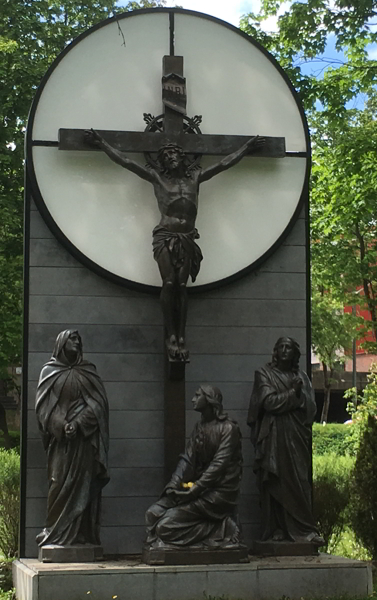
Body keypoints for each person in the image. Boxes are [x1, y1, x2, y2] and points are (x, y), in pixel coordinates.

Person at [85, 129, 264, 361]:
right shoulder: (158, 179)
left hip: (187, 237)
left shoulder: (195, 178)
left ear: (182, 157)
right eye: (166, 158)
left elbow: (224, 164)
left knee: (182, 284)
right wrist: (101, 143)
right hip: (165, 235)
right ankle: (170, 333)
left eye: (173, 156)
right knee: (169, 282)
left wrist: (246, 148)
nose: (170, 160)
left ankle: (180, 335)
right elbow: (126, 162)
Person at [145, 385, 243, 549]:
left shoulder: (228, 428)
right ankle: (219, 528)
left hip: (218, 493)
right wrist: (174, 484)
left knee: (164, 527)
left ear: (209, 399)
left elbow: (219, 465)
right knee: (152, 514)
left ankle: (225, 527)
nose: (193, 399)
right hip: (198, 490)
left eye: (198, 396)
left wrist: (196, 489)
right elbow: (187, 460)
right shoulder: (200, 427)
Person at [35, 330, 109, 548]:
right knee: (58, 483)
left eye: (78, 339)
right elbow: (44, 407)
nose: (77, 342)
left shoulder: (88, 372)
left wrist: (78, 424)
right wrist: (62, 425)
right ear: (61, 343)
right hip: (62, 444)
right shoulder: (49, 372)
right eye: (72, 339)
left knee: (84, 486)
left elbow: (99, 405)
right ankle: (55, 534)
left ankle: (82, 536)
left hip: (85, 442)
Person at [247, 337, 324, 545]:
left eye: (288, 347)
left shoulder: (303, 377)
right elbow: (268, 403)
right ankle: (276, 529)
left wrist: (299, 396)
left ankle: (305, 529)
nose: (283, 350)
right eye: (280, 347)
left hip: (297, 436)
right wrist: (293, 394)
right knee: (276, 479)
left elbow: (311, 408)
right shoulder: (264, 374)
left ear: (295, 354)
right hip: (274, 436)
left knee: (299, 481)